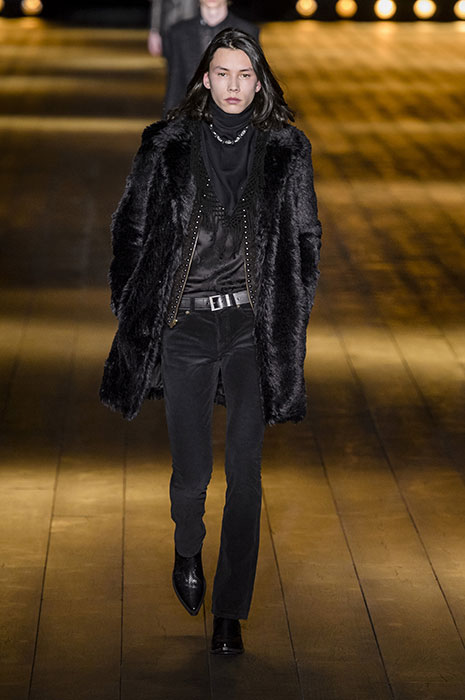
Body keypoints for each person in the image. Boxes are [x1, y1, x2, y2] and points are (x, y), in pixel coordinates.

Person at [100, 28, 322, 655]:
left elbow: (306, 238)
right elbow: (130, 230)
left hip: (252, 328)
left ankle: (230, 614)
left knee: (246, 474)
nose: (233, 86)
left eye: (245, 75)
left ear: (260, 82)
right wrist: (135, 308)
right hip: (186, 325)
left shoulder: (286, 150)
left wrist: (292, 313)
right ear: (204, 78)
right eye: (222, 73)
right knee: (193, 473)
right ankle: (187, 546)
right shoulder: (167, 144)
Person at [163, 0, 259, 115]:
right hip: (192, 116)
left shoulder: (248, 31)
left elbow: (255, 81)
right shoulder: (179, 33)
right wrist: (168, 120)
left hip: (235, 116)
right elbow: (175, 83)